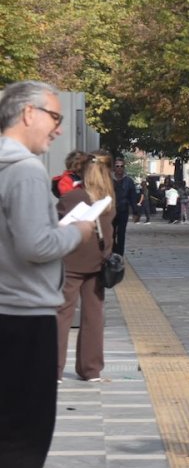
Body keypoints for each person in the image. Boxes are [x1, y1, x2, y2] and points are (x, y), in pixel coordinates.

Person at [0, 80, 93, 468]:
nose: (57, 129)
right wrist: (78, 231)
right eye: (54, 118)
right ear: (28, 114)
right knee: (27, 428)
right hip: (24, 313)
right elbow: (36, 245)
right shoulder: (25, 171)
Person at [56, 151, 115, 382]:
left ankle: (54, 368)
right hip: (98, 262)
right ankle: (90, 369)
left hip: (69, 261)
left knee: (62, 315)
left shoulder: (71, 197)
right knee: (94, 315)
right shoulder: (109, 200)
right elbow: (111, 232)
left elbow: (55, 225)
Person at [111, 156, 138, 255]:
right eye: (117, 166)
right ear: (114, 167)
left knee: (121, 234)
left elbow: (133, 197)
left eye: (121, 166)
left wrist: (135, 212)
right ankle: (113, 253)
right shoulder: (109, 180)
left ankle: (120, 255)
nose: (119, 168)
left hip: (123, 210)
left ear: (124, 167)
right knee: (111, 234)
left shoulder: (128, 181)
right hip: (111, 211)